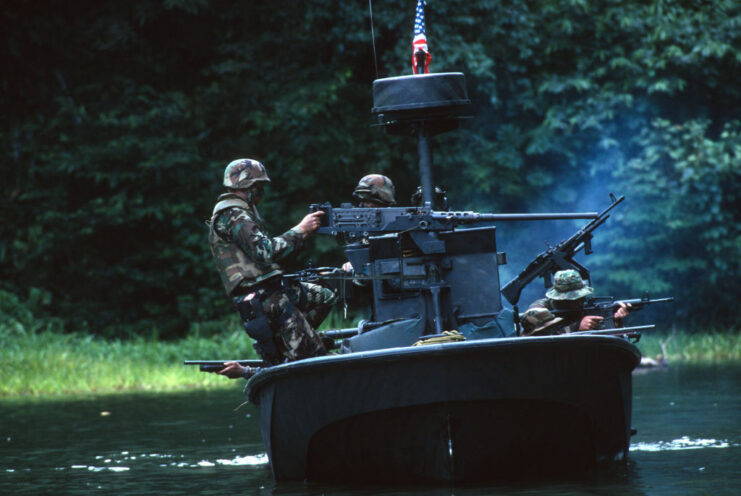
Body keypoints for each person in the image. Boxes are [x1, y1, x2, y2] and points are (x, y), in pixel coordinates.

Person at [208, 158, 338, 378]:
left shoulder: (240, 212)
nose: (262, 193)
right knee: (314, 358)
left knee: (324, 295)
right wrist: (300, 230)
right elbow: (265, 252)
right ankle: (296, 345)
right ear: (249, 188)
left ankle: (297, 339)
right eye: (260, 188)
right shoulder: (234, 214)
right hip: (266, 299)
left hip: (273, 289)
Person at [519, 269, 632, 335]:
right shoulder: (539, 307)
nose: (580, 303)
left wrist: (616, 322)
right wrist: (576, 327)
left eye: (581, 298)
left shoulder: (584, 309)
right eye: (574, 299)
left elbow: (607, 337)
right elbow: (539, 335)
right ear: (560, 298)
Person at [341, 174, 396, 274]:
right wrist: (353, 263)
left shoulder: (399, 222)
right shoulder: (359, 223)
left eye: (373, 201)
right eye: (364, 201)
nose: (368, 206)